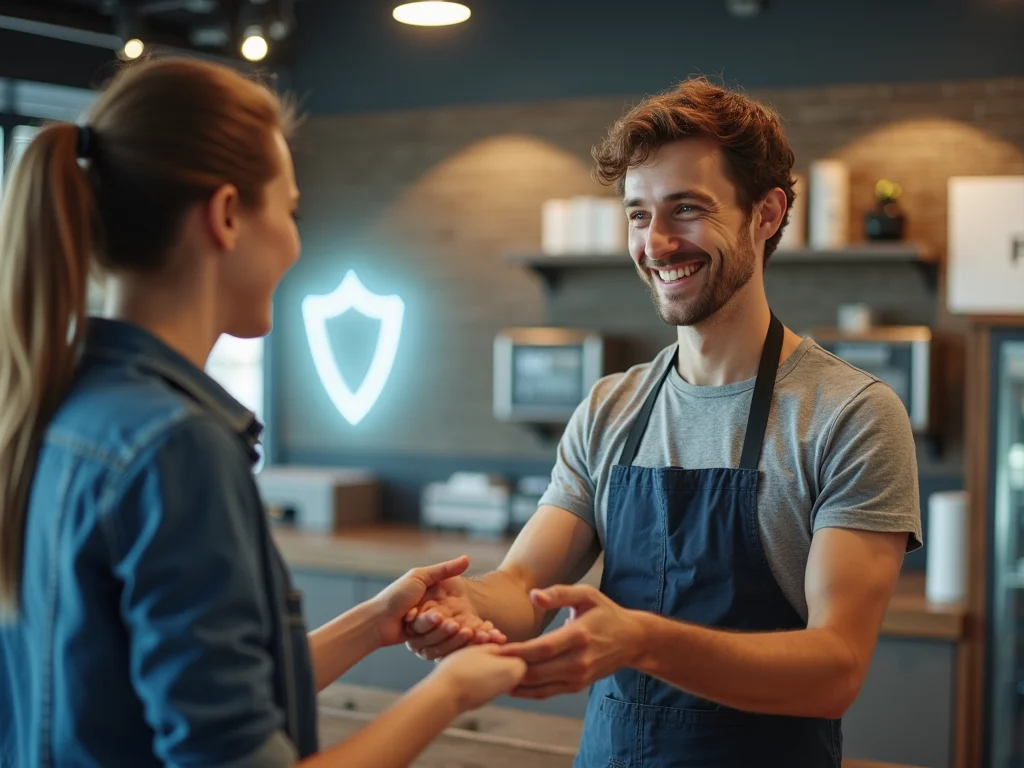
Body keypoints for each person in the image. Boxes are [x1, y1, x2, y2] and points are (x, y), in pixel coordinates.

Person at [0, 57, 523, 768]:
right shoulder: (176, 449)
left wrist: (374, 624)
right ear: (225, 217)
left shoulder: (59, 409)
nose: (294, 241)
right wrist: (450, 692)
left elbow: (195, 707)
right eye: (289, 209)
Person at [404, 77, 923, 767]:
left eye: (687, 209)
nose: (658, 243)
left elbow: (835, 669)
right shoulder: (609, 409)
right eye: (639, 214)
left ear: (765, 214)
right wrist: (457, 601)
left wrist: (642, 641)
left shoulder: (849, 415)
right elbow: (522, 587)